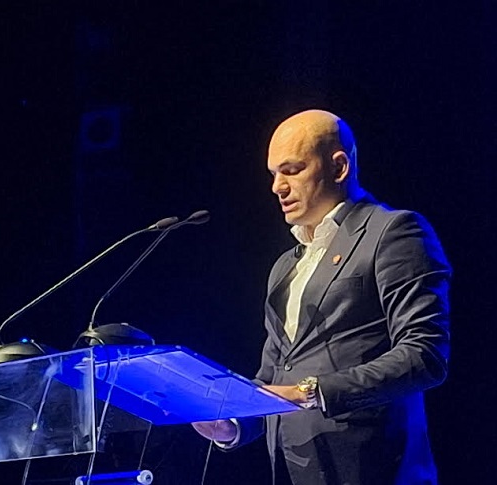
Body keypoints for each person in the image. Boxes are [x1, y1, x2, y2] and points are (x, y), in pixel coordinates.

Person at [193, 109, 450, 485]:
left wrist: (312, 392)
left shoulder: (393, 233)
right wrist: (233, 425)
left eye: (291, 170)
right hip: (295, 469)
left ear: (339, 167)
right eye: (273, 174)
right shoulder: (285, 266)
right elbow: (275, 376)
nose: (277, 187)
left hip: (371, 468)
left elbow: (424, 355)